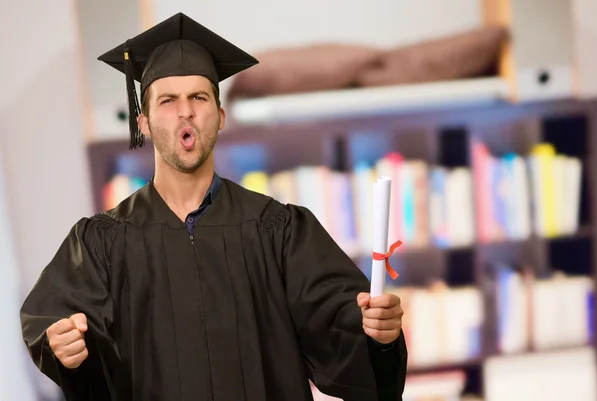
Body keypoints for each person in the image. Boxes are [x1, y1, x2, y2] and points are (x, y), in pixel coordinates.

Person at [20, 12, 408, 401]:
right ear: (144, 124)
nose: (185, 111)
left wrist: (378, 335)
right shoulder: (100, 244)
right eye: (168, 100)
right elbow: (60, 324)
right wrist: (66, 349)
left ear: (220, 117)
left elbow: (340, 320)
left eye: (199, 97)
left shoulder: (278, 231)